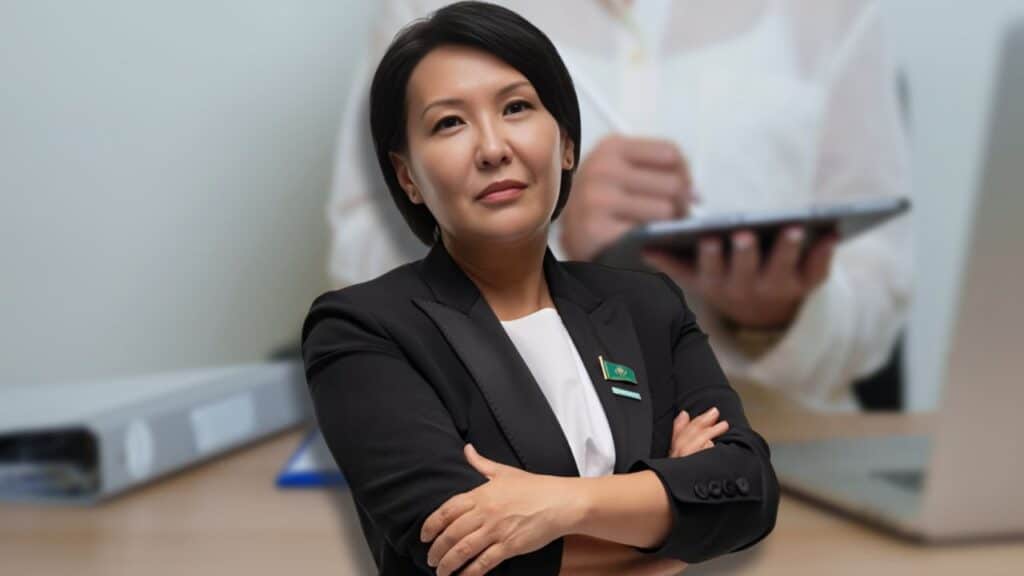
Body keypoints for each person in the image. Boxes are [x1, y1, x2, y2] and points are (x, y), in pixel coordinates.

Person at [302, 3, 778, 574]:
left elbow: (748, 492)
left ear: (567, 145)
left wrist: (558, 505)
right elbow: (463, 554)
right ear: (408, 178)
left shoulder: (648, 306)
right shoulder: (363, 329)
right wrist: (674, 527)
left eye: (516, 108)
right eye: (449, 123)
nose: (492, 148)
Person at [326, 0, 913, 411]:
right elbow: (362, 263)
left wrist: (780, 319)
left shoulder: (831, 13)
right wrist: (542, 239)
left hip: (784, 459)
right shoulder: (425, 13)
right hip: (507, 464)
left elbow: (881, 287)